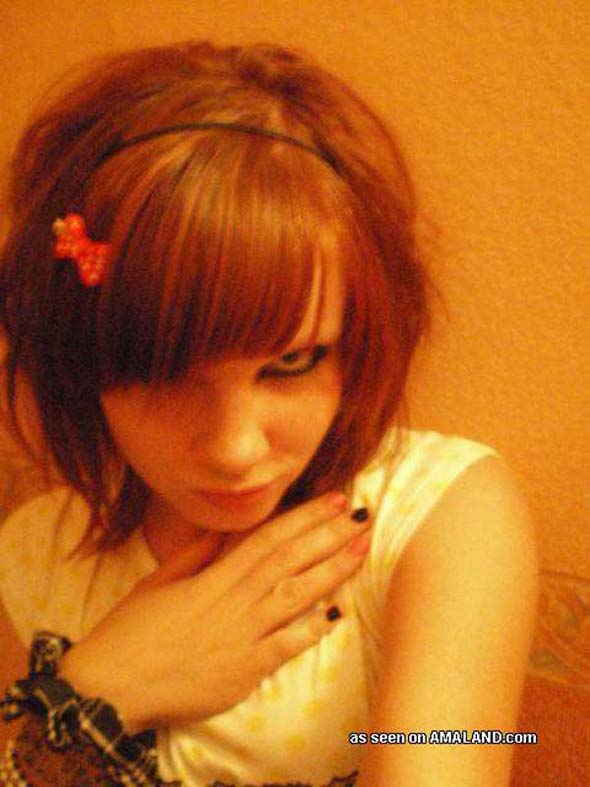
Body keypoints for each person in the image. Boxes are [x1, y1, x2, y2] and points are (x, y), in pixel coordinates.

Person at [0, 40, 538, 787]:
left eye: (291, 362)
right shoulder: (32, 557)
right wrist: (100, 692)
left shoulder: (439, 514)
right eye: (164, 374)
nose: (234, 448)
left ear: (360, 333)